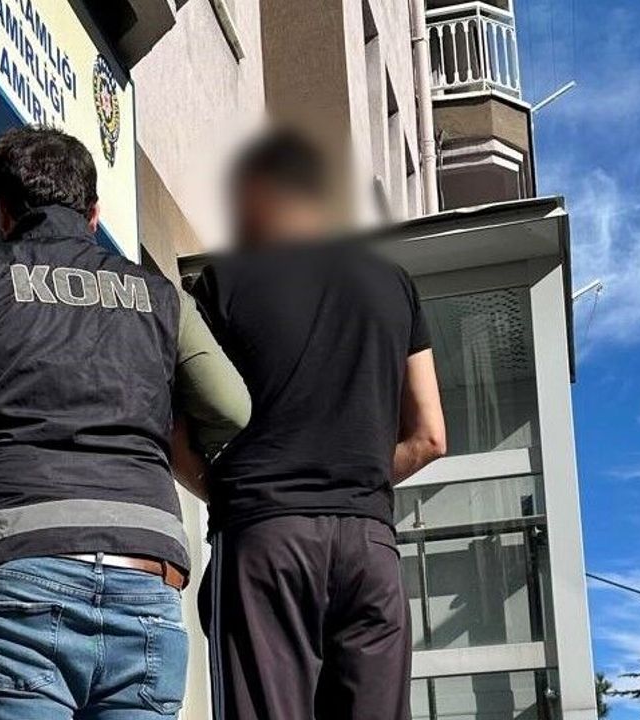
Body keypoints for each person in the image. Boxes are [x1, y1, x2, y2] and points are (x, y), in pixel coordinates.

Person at [0, 126, 250, 720]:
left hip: (21, 569)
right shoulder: (163, 297)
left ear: (3, 212)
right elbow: (231, 407)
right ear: (93, 213)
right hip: (147, 574)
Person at [189, 130, 447, 720]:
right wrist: (350, 480)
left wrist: (227, 491)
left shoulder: (225, 282)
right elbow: (431, 435)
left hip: (265, 538)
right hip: (369, 546)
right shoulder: (394, 285)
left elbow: (176, 426)